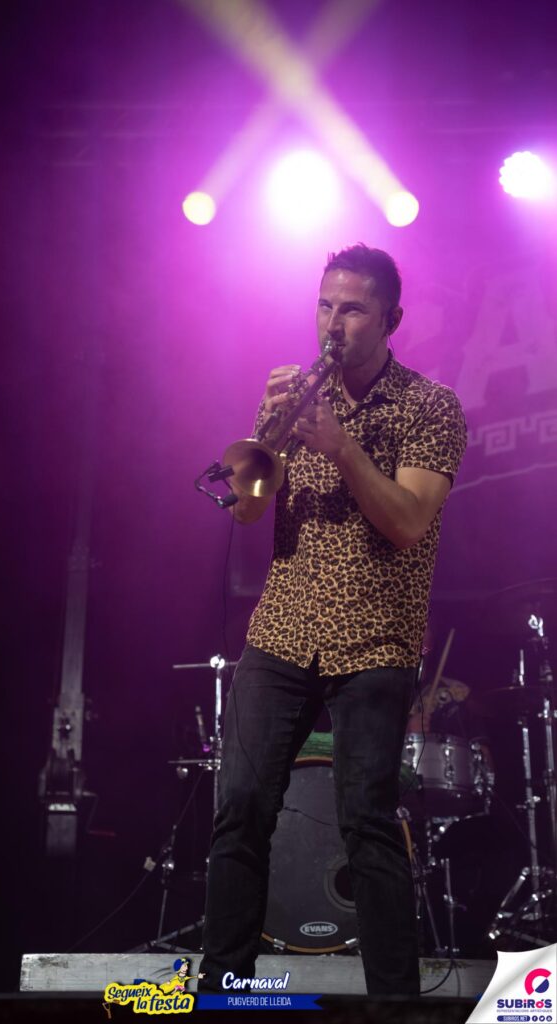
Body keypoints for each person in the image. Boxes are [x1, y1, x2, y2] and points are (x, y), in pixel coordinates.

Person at [197, 244, 467, 997]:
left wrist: (341, 447)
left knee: (368, 824)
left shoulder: (430, 407)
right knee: (240, 806)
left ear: (390, 319)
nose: (332, 323)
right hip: (283, 628)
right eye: (324, 305)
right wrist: (272, 436)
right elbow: (247, 513)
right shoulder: (293, 394)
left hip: (374, 636)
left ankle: (394, 1006)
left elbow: (407, 522)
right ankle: (223, 992)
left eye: (351, 309)